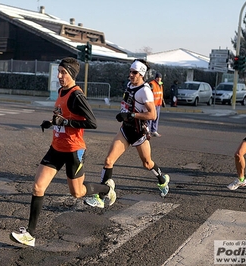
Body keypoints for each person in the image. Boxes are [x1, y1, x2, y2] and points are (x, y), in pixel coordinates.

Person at [10, 57, 116, 247]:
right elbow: (61, 115)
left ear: (71, 74)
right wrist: (51, 122)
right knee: (37, 187)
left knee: (77, 193)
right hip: (56, 148)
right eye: (59, 72)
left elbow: (92, 123)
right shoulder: (61, 91)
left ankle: (107, 189)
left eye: (63, 73)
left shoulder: (77, 95)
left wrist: (65, 123)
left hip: (74, 150)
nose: (59, 76)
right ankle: (30, 234)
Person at [84, 59, 171, 209]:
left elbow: (152, 116)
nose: (131, 75)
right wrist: (123, 115)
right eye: (130, 71)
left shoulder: (145, 91)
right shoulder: (129, 85)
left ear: (141, 74)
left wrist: (131, 116)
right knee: (108, 161)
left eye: (134, 72)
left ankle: (162, 180)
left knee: (147, 163)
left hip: (138, 133)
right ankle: (102, 196)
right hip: (125, 130)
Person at [148, 72, 164, 137]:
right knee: (150, 118)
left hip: (158, 103)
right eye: (158, 77)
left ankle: (154, 130)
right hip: (152, 104)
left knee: (156, 118)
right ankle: (148, 131)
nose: (159, 79)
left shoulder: (160, 84)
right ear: (155, 78)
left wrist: (162, 101)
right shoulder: (152, 84)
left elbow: (160, 93)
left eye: (160, 78)